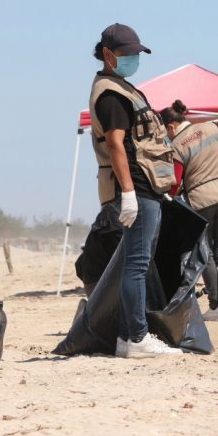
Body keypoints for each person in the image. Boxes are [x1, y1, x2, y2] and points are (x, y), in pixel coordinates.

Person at [88, 23, 181, 358]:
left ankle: (129, 338)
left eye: (136, 54)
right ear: (109, 55)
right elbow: (115, 145)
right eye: (128, 54)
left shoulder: (121, 87)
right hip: (137, 189)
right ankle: (137, 338)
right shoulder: (111, 94)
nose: (133, 60)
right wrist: (128, 193)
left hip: (145, 187)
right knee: (137, 264)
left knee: (134, 262)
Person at [160, 100, 218, 322]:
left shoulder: (177, 145)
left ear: (171, 126)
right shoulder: (212, 127)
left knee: (206, 253)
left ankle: (216, 306)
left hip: (201, 203)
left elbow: (175, 183)